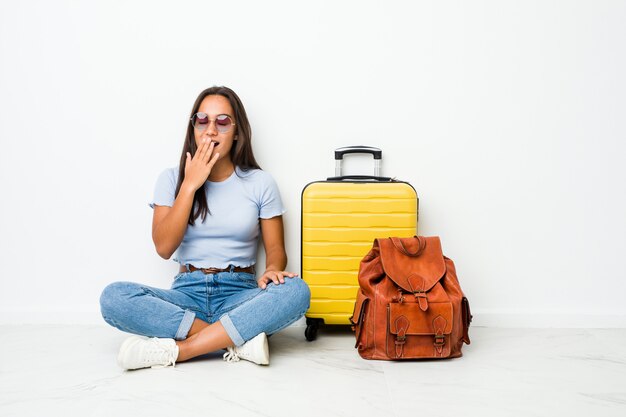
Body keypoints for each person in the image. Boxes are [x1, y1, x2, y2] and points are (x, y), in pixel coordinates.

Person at [99, 86, 311, 370]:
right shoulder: (171, 179)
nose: (211, 130)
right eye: (203, 121)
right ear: (194, 129)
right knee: (113, 297)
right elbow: (163, 248)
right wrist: (190, 185)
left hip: (240, 294)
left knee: (297, 291)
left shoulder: (260, 183)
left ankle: (182, 350)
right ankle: (234, 340)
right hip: (187, 294)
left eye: (222, 122)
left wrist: (273, 269)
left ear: (237, 132)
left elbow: (275, 251)